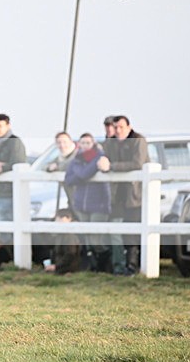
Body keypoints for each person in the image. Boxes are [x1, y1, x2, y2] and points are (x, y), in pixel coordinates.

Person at [97, 115, 149, 275]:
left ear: (129, 127)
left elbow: (137, 163)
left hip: (135, 195)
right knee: (117, 229)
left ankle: (132, 266)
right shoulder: (112, 143)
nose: (118, 130)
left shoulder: (138, 140)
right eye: (116, 127)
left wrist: (111, 166)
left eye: (121, 127)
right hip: (118, 195)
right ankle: (118, 265)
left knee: (132, 232)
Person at [64, 133, 111, 271]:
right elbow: (69, 179)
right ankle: (93, 266)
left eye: (88, 143)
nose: (85, 146)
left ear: (93, 143)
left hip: (99, 204)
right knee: (87, 238)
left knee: (96, 239)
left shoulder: (100, 157)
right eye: (82, 143)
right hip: (81, 204)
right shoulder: (77, 159)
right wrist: (84, 172)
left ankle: (105, 265)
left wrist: (81, 173)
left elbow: (82, 174)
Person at [0, 114, 27, 268]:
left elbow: (18, 163)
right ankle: (8, 262)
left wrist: (1, 167)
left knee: (6, 229)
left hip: (10, 192)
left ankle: (10, 262)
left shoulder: (14, 142)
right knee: (3, 228)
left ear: (8, 125)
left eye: (0, 126)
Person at [43, 208, 81, 274]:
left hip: (67, 268)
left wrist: (56, 266)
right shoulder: (59, 235)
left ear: (69, 219)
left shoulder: (70, 236)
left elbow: (70, 255)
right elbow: (51, 247)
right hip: (59, 266)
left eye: (60, 219)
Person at [45, 131, 77, 206]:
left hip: (82, 197)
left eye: (64, 142)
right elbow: (45, 165)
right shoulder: (60, 157)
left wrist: (57, 167)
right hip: (69, 197)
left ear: (70, 142)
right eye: (59, 142)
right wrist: (49, 168)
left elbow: (69, 165)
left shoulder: (78, 154)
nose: (62, 145)